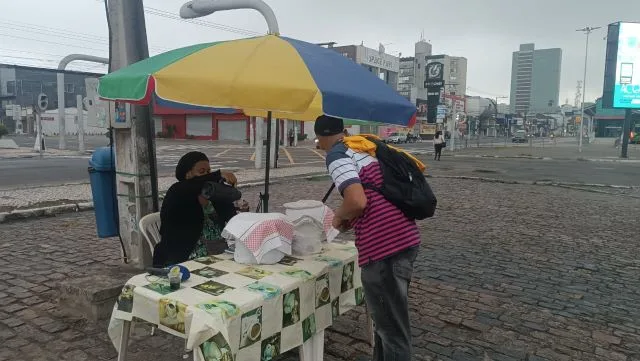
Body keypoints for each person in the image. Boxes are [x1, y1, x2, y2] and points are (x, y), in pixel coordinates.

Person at [314, 115, 420, 361]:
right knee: (387, 324)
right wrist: (353, 217)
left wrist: (338, 219)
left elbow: (357, 201)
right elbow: (371, 197)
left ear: (321, 137)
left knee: (393, 332)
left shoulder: (337, 155)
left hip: (384, 248)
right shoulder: (362, 147)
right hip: (404, 239)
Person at [152, 151, 239, 267]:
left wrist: (229, 196)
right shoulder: (178, 191)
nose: (208, 176)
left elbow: (231, 216)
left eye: (209, 172)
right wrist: (218, 174)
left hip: (218, 252)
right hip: (185, 256)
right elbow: (189, 187)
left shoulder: (212, 193)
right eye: (202, 172)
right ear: (188, 175)